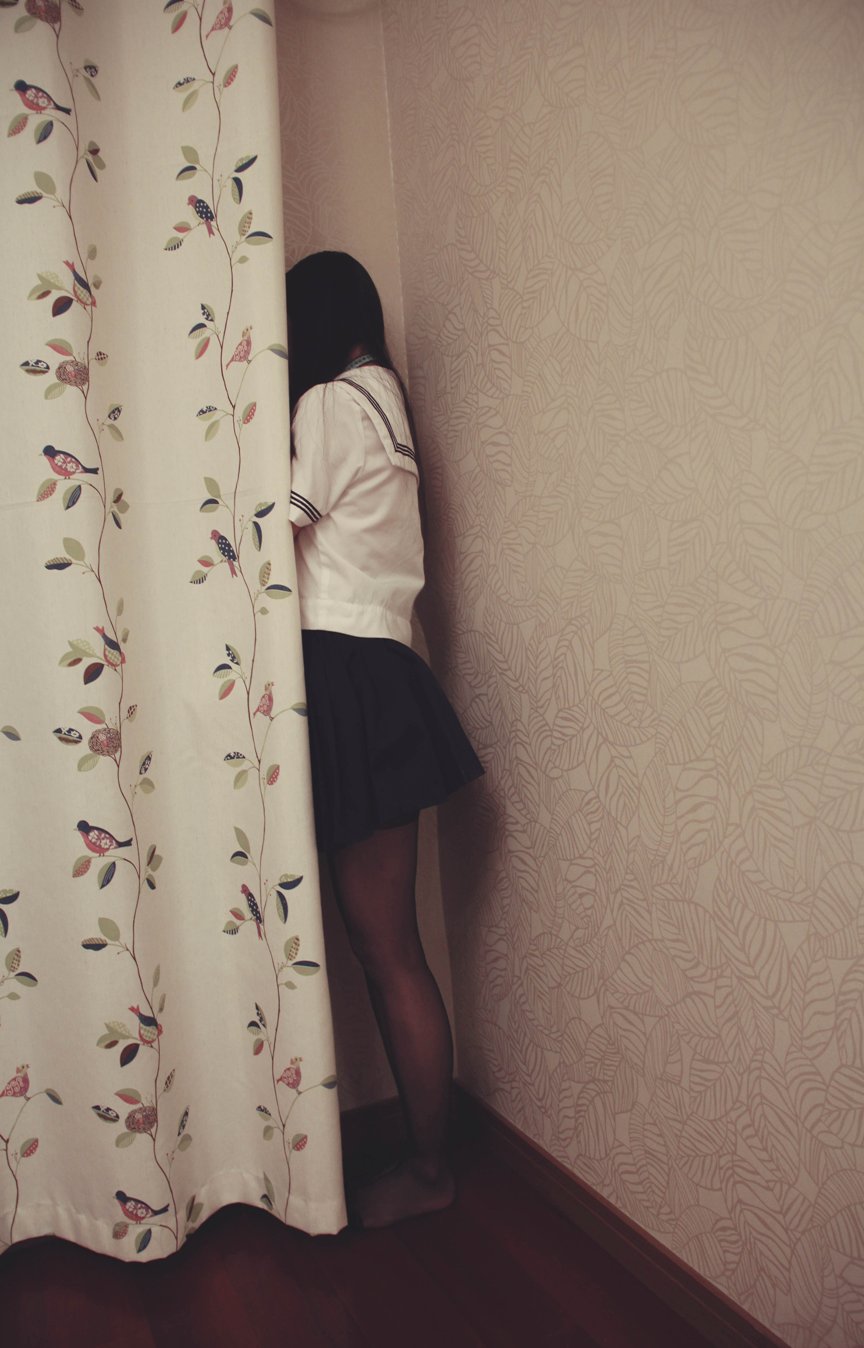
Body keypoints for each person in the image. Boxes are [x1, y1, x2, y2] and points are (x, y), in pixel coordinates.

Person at [286, 251, 483, 1228]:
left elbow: (269, 532)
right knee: (389, 944)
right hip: (388, 672)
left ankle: (430, 1169)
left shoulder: (329, 405)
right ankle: (426, 1159)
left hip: (349, 676)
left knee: (385, 946)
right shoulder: (389, 408)